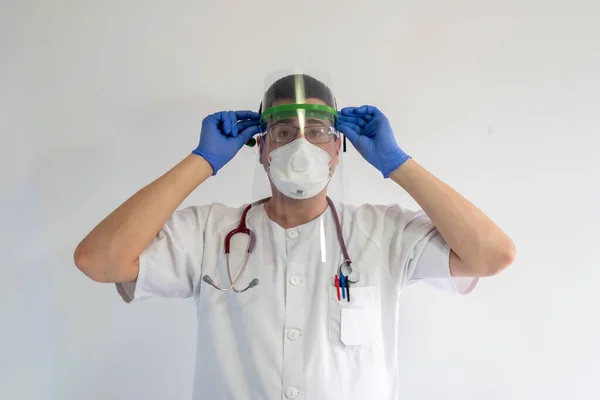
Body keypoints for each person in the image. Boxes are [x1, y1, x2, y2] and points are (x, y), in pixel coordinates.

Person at [74, 73, 515, 399]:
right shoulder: (210, 232)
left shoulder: (384, 231)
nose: (300, 147)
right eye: (284, 133)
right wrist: (202, 161)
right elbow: (100, 260)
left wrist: (397, 163)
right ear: (262, 150)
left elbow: (492, 255)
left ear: (339, 149)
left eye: (318, 133)